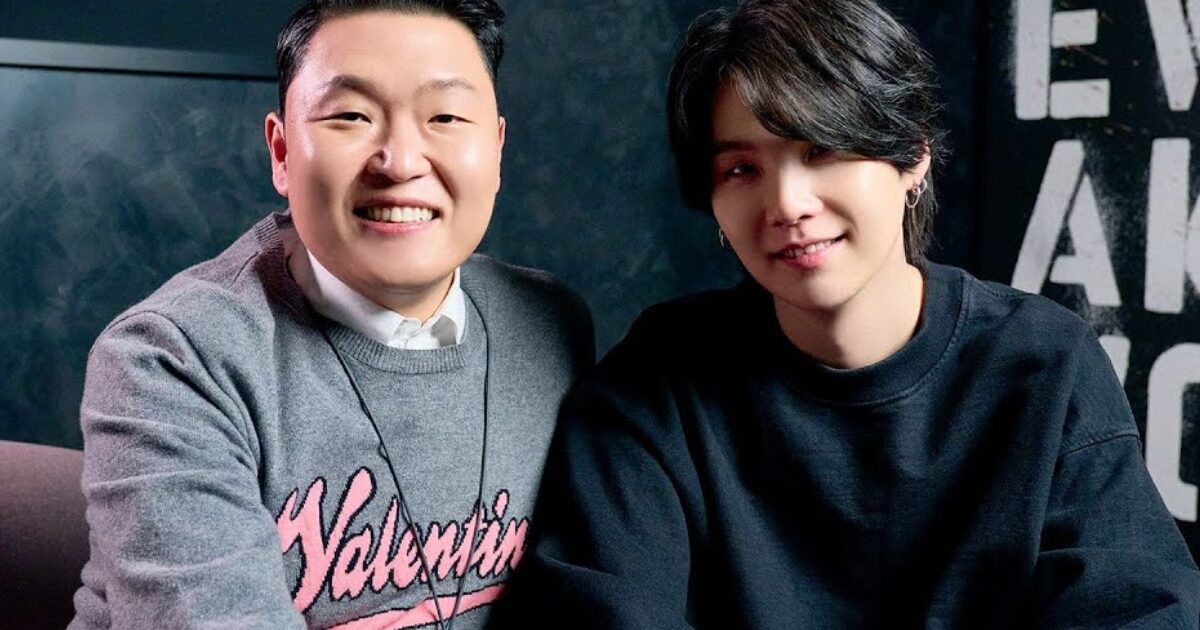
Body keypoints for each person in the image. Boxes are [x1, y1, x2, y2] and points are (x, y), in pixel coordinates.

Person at [497, 0, 1200, 626]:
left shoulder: (1044, 365)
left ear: (913, 157)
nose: (787, 204)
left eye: (823, 150)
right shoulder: (658, 381)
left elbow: (1138, 608)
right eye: (741, 169)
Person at [69, 1, 592, 628]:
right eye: (351, 116)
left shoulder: (550, 325)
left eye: (445, 117)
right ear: (282, 152)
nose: (400, 162)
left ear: (497, 149)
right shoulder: (169, 359)